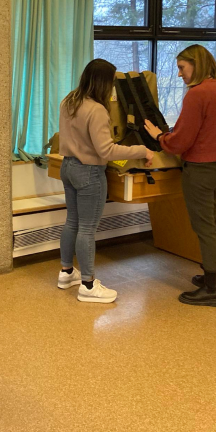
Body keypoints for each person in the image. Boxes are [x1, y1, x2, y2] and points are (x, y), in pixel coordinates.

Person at [58, 58, 153, 303]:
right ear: (102, 82)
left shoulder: (69, 100)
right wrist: (142, 150)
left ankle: (66, 272)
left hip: (67, 167)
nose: (112, 89)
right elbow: (106, 151)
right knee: (87, 228)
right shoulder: (96, 109)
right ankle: (88, 286)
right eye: (111, 82)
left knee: (72, 222)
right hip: (89, 173)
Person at [145, 44, 216, 307]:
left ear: (196, 65)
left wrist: (158, 135)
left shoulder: (197, 94)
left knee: (204, 227)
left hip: (201, 169)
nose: (179, 74)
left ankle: (213, 289)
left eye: (182, 68)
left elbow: (181, 141)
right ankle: (212, 276)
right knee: (213, 221)